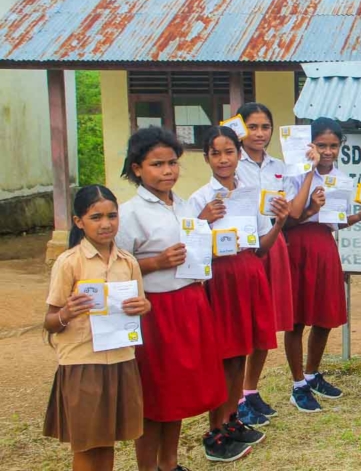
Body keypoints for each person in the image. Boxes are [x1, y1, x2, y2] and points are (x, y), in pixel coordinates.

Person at [116, 127, 228, 470]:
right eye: (157, 164)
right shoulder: (129, 213)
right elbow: (115, 270)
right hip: (155, 310)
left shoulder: (182, 206)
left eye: (172, 163)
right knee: (155, 397)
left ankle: (170, 463)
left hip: (189, 303)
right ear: (137, 168)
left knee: (177, 395)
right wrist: (155, 262)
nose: (168, 171)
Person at [189, 125, 289, 458]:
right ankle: (214, 430)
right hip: (220, 281)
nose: (223, 159)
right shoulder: (199, 199)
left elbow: (261, 247)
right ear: (206, 158)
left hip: (249, 274)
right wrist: (202, 221)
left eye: (229, 151)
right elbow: (189, 251)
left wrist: (278, 223)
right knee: (223, 357)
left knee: (241, 354)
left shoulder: (250, 194)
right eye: (215, 153)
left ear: (238, 154)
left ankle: (232, 419)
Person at [43, 185, 150, 471]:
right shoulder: (69, 263)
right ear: (79, 222)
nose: (106, 224)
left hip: (119, 360)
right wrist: (67, 312)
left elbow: (142, 303)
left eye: (112, 216)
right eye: (96, 217)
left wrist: (142, 307)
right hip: (83, 362)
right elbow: (50, 321)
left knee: (108, 442)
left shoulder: (128, 263)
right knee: (87, 445)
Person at [284, 117, 361, 412]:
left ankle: (312, 374)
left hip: (324, 246)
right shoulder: (297, 175)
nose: (327, 152)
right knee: (298, 319)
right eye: (321, 145)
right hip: (297, 246)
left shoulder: (341, 179)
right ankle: (298, 384)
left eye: (333, 146)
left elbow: (336, 222)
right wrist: (312, 196)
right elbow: (289, 218)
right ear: (310, 146)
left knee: (324, 316)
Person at [234, 102, 319, 425]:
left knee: (265, 323)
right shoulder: (231, 162)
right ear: (241, 129)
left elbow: (295, 212)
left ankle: (250, 390)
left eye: (265, 127)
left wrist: (309, 170)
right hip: (243, 250)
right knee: (245, 324)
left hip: (273, 244)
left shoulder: (279, 166)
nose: (259, 133)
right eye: (252, 126)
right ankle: (237, 399)